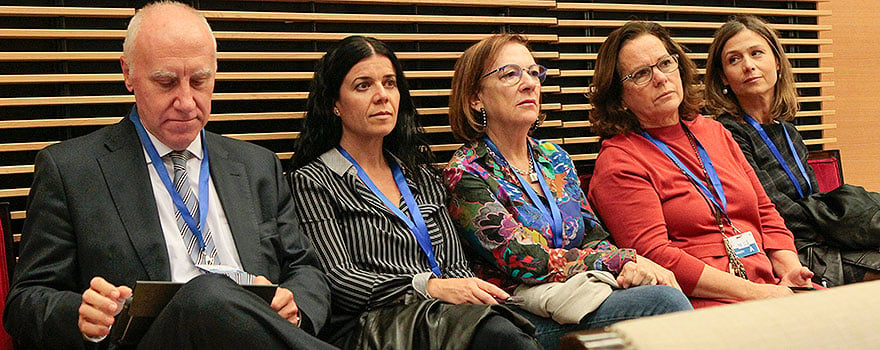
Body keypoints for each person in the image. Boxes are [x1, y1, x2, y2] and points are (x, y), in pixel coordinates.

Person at [3, 2, 333, 349]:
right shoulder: (72, 171)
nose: (187, 101)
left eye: (200, 81)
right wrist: (82, 315)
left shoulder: (256, 166)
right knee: (206, 291)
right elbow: (25, 303)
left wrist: (294, 304)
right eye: (166, 82)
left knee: (216, 296)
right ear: (128, 74)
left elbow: (307, 270)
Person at [288, 36, 539, 350]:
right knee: (501, 337)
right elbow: (338, 280)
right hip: (375, 324)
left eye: (389, 83)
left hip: (441, 314)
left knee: (515, 325)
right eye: (363, 86)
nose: (382, 96)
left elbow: (454, 263)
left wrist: (464, 291)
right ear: (334, 104)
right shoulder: (313, 181)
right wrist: (428, 287)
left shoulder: (417, 174)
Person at [444, 33, 692, 349]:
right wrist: (621, 260)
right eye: (510, 74)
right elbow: (523, 259)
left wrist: (627, 264)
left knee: (661, 289)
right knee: (663, 304)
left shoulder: (553, 158)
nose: (529, 84)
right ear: (475, 98)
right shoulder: (466, 172)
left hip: (579, 293)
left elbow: (593, 236)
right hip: (518, 315)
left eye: (534, 73)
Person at [587, 21, 817, 309]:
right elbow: (656, 255)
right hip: (702, 299)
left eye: (664, 64)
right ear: (619, 98)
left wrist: (789, 267)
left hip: (768, 283)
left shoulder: (714, 132)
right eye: (641, 74)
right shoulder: (619, 160)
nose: (660, 78)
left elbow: (765, 211)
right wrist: (756, 294)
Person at [705, 15, 880, 286]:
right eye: (734, 59)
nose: (749, 66)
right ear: (723, 76)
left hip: (821, 238)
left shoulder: (788, 130)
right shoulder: (726, 132)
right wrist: (832, 225)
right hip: (783, 248)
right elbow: (768, 204)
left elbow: (813, 195)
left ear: (776, 62)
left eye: (756, 53)